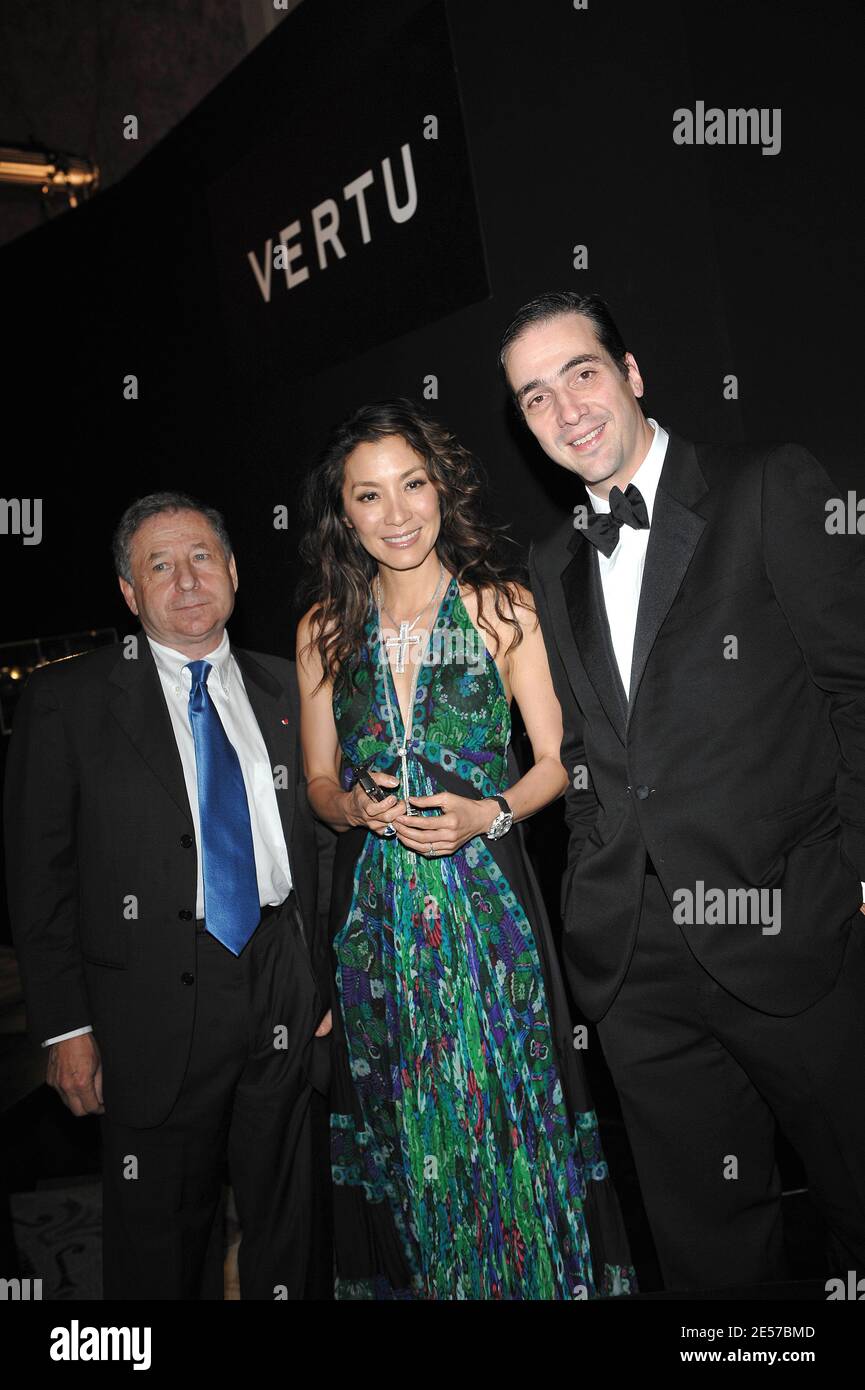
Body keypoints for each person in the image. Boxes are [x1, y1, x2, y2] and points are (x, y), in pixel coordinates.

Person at [501, 290, 865, 1292]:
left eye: (580, 373)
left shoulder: (761, 488)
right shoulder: (553, 559)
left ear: (630, 374)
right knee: (709, 1254)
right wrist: (591, 895)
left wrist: (852, 883)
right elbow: (582, 756)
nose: (566, 409)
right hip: (635, 970)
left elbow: (854, 685)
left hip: (795, 930)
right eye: (534, 398)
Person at [295, 398, 635, 1300]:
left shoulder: (499, 605)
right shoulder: (324, 632)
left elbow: (558, 762)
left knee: (508, 1122)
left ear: (441, 488)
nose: (397, 513)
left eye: (412, 485)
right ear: (345, 513)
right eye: (369, 497)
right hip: (377, 932)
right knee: (410, 1136)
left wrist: (486, 813)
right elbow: (318, 786)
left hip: (487, 916)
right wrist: (356, 810)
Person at [4, 492, 334, 1300]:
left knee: (290, 1219)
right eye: (159, 565)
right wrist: (67, 1027)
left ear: (231, 571)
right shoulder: (67, 702)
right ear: (128, 591)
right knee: (158, 1235)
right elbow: (35, 875)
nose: (185, 580)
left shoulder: (289, 687)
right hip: (145, 1003)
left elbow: (327, 843)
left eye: (200, 558)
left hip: (282, 980)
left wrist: (324, 976)